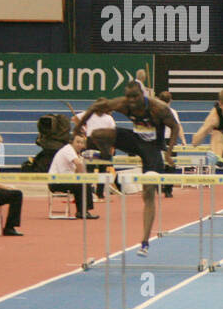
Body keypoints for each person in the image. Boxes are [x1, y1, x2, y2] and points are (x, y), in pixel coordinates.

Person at [76, 82, 181, 256]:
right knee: (98, 134)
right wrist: (77, 129)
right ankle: (105, 157)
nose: (132, 101)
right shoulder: (123, 104)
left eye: (135, 97)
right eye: (129, 97)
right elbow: (96, 106)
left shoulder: (158, 108)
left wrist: (169, 153)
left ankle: (145, 242)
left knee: (148, 194)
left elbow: (175, 127)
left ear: (143, 95)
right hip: (134, 141)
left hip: (153, 149)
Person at [49, 133, 97, 219]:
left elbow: (77, 169)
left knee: (83, 183)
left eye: (82, 143)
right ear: (72, 142)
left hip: (66, 180)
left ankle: (82, 211)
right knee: (83, 183)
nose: (80, 145)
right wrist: (84, 177)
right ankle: (83, 211)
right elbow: (78, 164)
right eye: (77, 142)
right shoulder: (68, 149)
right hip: (56, 182)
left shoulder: (77, 154)